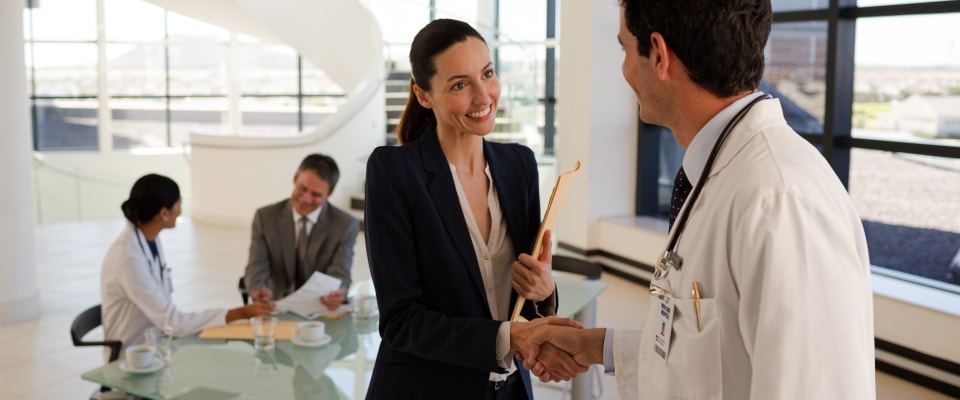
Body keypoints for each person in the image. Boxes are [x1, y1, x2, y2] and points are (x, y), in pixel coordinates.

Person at [519, 1, 876, 399]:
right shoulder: (722, 169)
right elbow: (712, 355)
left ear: (658, 55)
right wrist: (596, 346)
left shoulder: (780, 199)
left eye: (624, 50)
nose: (623, 70)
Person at [363, 18, 584, 400]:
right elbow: (401, 321)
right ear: (424, 95)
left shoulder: (519, 166)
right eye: (461, 85)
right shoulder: (394, 172)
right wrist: (505, 337)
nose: (484, 97)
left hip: (511, 390)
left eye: (488, 74)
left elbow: (523, 302)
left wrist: (543, 291)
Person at [101, 174, 274, 357]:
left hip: (157, 342)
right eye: (179, 205)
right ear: (164, 214)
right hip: (134, 356)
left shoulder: (148, 239)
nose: (180, 211)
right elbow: (172, 322)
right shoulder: (128, 258)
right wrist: (237, 313)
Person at [244, 154, 360, 309]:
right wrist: (259, 288)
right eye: (302, 188)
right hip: (276, 305)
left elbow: (340, 272)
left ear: (329, 194)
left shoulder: (345, 225)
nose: (306, 199)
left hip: (320, 306)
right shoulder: (265, 218)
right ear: (294, 179)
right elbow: (256, 265)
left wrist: (338, 292)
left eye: (316, 194)